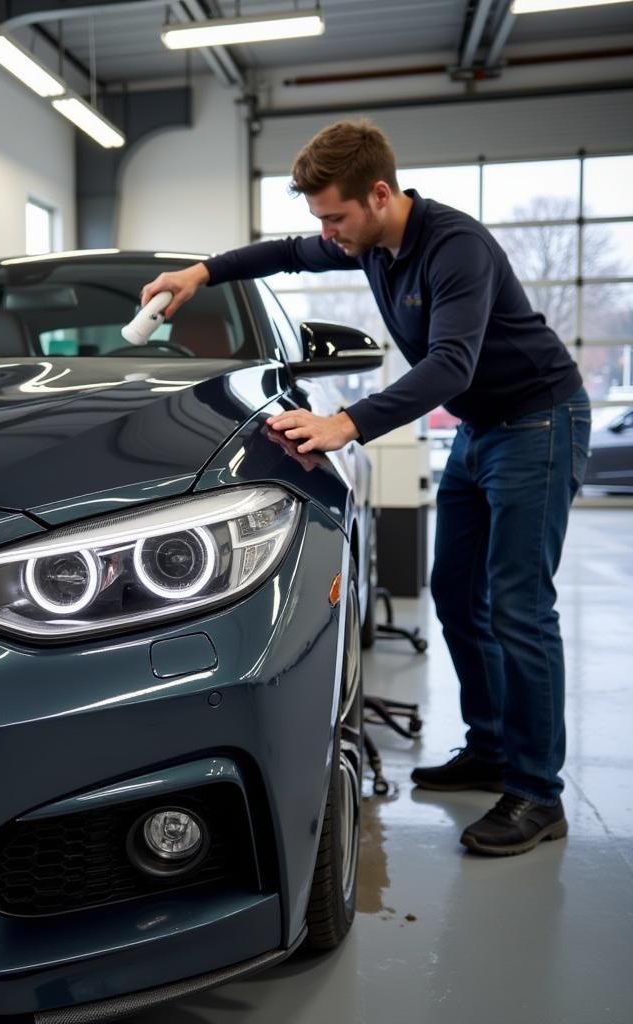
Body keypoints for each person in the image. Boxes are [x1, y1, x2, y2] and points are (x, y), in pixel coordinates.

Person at [140, 119, 590, 857]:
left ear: (379, 194)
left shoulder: (456, 248)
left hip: (537, 422)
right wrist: (201, 275)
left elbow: (452, 365)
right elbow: (285, 254)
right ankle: (492, 747)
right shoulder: (371, 240)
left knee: (518, 603)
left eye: (335, 217)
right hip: (484, 433)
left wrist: (347, 423)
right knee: (454, 593)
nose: (326, 233)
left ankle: (539, 793)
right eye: (320, 218)